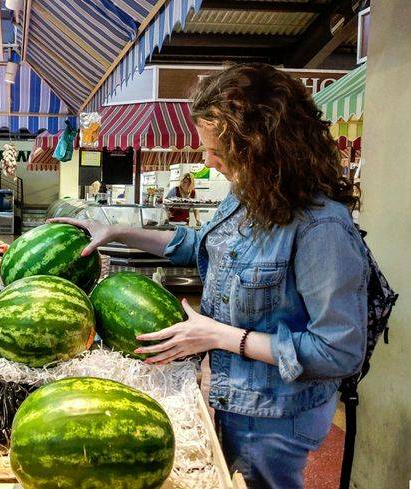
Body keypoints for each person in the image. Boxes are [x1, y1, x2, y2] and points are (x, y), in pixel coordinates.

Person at [52, 63, 368, 489]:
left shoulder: (322, 229)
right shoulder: (248, 198)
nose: (207, 160)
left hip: (275, 417)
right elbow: (198, 244)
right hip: (235, 399)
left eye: (218, 151)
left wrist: (220, 336)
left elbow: (338, 351)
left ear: (264, 149)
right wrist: (117, 232)